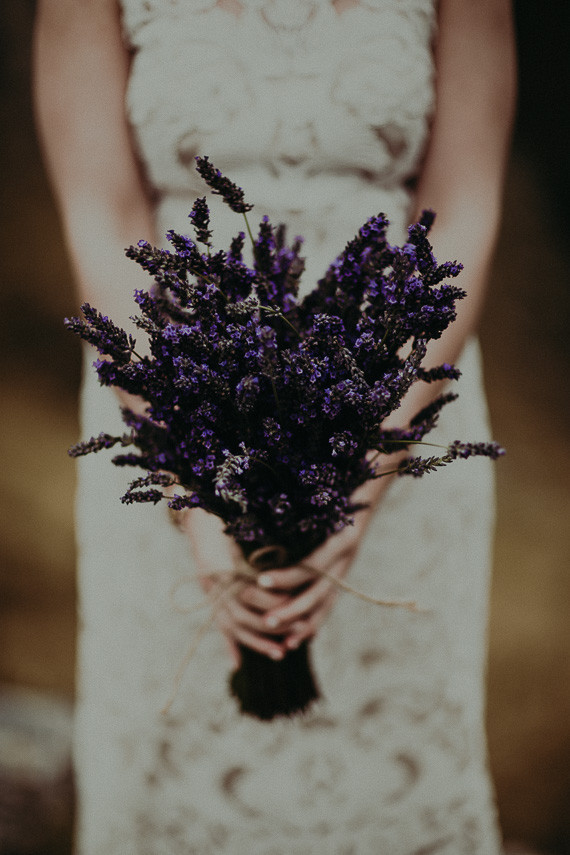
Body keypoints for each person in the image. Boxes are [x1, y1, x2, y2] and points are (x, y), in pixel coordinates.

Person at [34, 0, 516, 852]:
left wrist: (362, 481)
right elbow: (102, 211)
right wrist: (191, 481)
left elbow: (465, 201)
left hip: (401, 411)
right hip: (165, 411)